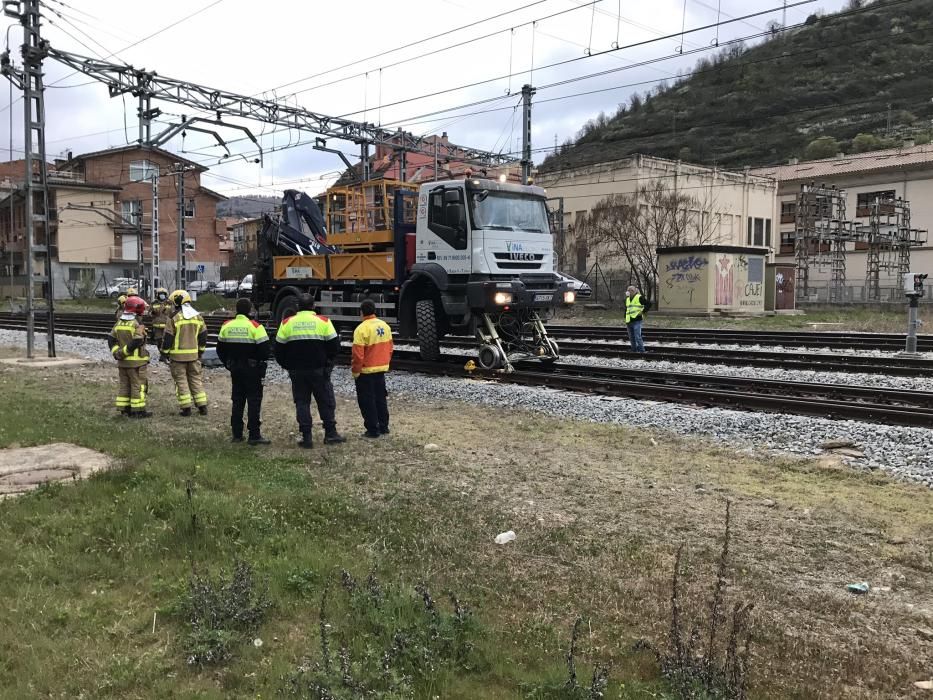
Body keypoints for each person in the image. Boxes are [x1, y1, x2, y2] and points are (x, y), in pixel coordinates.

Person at [274, 294, 345, 448]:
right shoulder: (324, 322)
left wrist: (288, 365)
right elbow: (334, 347)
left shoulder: (287, 323)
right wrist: (327, 364)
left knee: (302, 402)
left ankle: (307, 437)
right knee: (325, 401)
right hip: (319, 370)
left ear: (298, 307)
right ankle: (330, 433)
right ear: (313, 306)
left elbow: (278, 349)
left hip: (297, 371)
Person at [217, 298, 271, 445]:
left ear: (237, 309)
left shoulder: (226, 325)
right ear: (249, 310)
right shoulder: (255, 326)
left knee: (237, 401)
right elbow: (265, 351)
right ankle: (254, 435)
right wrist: (257, 363)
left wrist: (228, 364)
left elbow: (220, 349)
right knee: (254, 401)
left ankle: (237, 434)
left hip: (235, 369)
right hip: (252, 370)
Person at [161, 289, 209, 416]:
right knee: (195, 380)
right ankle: (202, 406)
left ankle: (186, 408)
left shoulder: (173, 318)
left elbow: (168, 338)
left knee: (181, 381)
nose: (171, 306)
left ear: (177, 302)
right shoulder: (198, 316)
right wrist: (200, 351)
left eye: (172, 303)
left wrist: (164, 353)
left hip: (177, 357)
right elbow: (204, 336)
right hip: (194, 356)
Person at [351, 298, 394, 438]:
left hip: (366, 371)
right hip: (381, 369)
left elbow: (358, 355)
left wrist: (356, 371)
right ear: (374, 310)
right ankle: (384, 426)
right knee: (380, 399)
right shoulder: (385, 326)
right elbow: (390, 348)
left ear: (362, 312)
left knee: (367, 401)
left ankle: (372, 430)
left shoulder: (361, 329)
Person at [107, 295, 151, 418]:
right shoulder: (136, 324)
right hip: (136, 363)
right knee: (138, 386)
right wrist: (124, 352)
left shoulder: (119, 323)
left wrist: (117, 353)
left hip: (123, 363)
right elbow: (137, 340)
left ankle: (124, 409)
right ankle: (138, 411)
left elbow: (111, 339)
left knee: (125, 385)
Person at [625, 284, 648, 353]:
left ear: (634, 291)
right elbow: (627, 309)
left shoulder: (639, 297)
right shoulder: (627, 299)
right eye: (628, 290)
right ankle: (634, 350)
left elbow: (648, 304)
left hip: (637, 320)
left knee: (637, 337)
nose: (628, 291)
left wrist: (643, 312)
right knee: (631, 337)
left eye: (630, 290)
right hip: (629, 321)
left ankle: (642, 351)